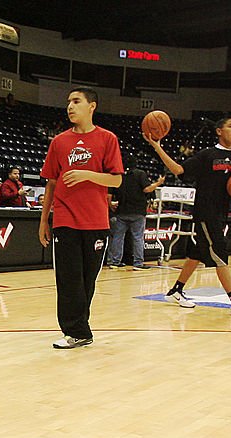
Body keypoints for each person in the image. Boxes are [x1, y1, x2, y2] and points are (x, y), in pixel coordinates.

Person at [146, 116, 231, 315]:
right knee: (220, 252)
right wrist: (157, 147)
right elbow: (179, 170)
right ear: (219, 131)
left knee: (197, 253)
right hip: (205, 212)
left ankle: (176, 290)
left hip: (222, 211)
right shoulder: (207, 155)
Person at [39, 87, 123, 349]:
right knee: (68, 278)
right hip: (65, 218)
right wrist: (44, 220)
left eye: (76, 101)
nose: (70, 107)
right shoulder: (59, 142)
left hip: (96, 221)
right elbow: (51, 183)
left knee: (87, 279)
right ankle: (74, 331)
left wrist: (87, 174)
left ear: (92, 106)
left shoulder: (107, 139)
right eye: (68, 102)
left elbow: (116, 179)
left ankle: (81, 330)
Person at [106, 167, 164, 269]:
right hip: (137, 212)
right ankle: (138, 263)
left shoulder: (117, 175)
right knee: (138, 238)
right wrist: (158, 183)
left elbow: (109, 194)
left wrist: (110, 205)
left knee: (118, 237)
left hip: (122, 211)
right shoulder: (140, 174)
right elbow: (147, 189)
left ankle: (115, 262)